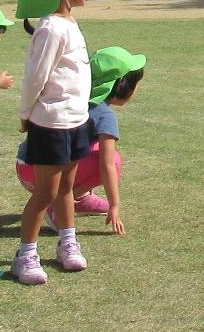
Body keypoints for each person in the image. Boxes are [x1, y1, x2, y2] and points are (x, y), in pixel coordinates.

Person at [14, 0, 98, 285]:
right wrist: (26, 114)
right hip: (51, 123)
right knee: (45, 194)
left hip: (75, 121)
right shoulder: (50, 28)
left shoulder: (68, 23)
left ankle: (67, 242)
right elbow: (36, 77)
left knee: (67, 187)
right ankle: (26, 254)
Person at [18, 45, 145, 235]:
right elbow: (107, 164)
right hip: (42, 177)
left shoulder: (73, 98)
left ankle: (80, 198)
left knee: (84, 147)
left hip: (25, 167)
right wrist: (115, 205)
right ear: (122, 86)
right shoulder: (104, 115)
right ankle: (58, 205)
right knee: (113, 160)